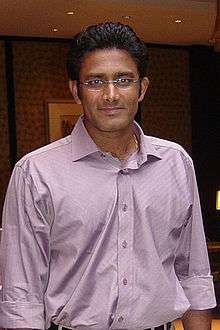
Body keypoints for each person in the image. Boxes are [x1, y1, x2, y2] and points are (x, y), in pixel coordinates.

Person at [0, 22, 216, 330]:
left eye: (124, 80)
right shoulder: (36, 173)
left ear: (141, 88)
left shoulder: (175, 163)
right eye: (95, 81)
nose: (111, 95)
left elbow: (192, 273)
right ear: (76, 90)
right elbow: (22, 296)